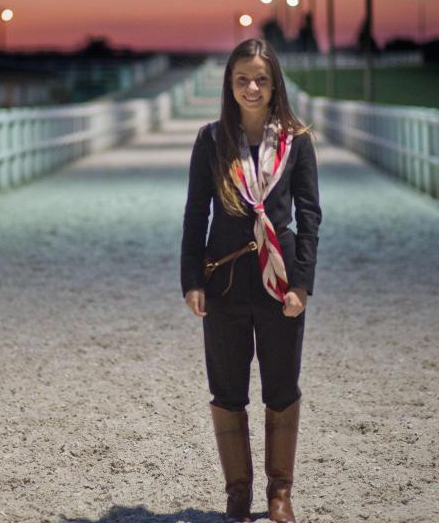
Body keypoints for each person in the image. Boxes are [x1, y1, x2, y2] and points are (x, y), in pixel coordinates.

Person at [181, 39, 321, 523]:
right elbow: (196, 213)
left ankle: (279, 493)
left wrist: (302, 284)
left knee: (282, 386)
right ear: (230, 85)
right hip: (224, 281)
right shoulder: (211, 140)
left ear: (274, 82)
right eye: (242, 79)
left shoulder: (296, 141)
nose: (252, 87)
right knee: (227, 388)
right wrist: (191, 281)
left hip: (278, 281)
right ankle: (237, 492)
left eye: (260, 78)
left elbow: (309, 215)